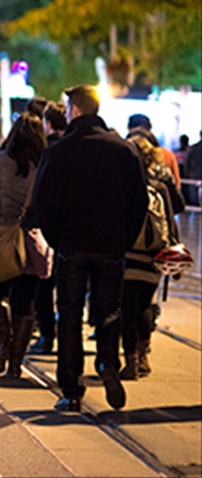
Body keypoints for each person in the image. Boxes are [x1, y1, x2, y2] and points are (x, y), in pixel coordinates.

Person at [33, 85, 148, 412]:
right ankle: (107, 365)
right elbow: (139, 201)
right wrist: (123, 239)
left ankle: (71, 389)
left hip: (72, 245)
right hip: (111, 245)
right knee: (109, 309)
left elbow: (43, 202)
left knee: (69, 314)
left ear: (75, 110)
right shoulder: (123, 150)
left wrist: (57, 239)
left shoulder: (59, 151)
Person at [0, 113, 48, 378]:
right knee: (25, 301)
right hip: (31, 237)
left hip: (0, 235)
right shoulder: (44, 164)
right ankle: (16, 361)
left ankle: (1, 348)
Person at [120, 134, 183, 380]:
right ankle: (144, 354)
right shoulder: (160, 187)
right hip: (153, 256)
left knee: (127, 309)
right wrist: (175, 252)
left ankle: (131, 361)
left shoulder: (123, 186)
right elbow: (170, 219)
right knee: (145, 305)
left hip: (127, 256)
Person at [30, 100, 68, 356]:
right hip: (74, 229)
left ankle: (46, 335)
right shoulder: (78, 149)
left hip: (47, 229)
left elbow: (39, 193)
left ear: (48, 124)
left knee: (43, 284)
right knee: (69, 290)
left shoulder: (46, 151)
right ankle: (66, 337)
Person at [127, 114, 180, 188]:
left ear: (129, 129)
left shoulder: (122, 153)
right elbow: (176, 186)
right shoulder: (166, 155)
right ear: (150, 129)